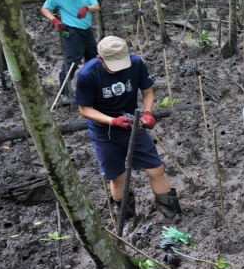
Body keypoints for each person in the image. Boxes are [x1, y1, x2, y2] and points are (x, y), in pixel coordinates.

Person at [74, 36, 183, 221]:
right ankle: (126, 217)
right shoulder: (88, 74)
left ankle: (171, 213)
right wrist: (112, 121)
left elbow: (147, 91)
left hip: (133, 123)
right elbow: (85, 109)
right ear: (100, 59)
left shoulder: (135, 63)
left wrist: (148, 112)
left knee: (156, 169)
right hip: (104, 131)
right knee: (118, 177)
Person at [41, 0, 100, 103]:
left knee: (94, 59)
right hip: (71, 31)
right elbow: (45, 9)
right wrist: (54, 20)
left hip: (86, 29)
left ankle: (94, 88)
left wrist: (86, 8)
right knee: (72, 61)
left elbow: (96, 7)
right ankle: (65, 93)